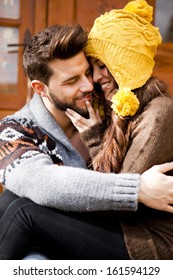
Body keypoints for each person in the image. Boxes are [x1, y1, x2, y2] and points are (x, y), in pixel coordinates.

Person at [1, 1, 173, 259]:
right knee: (12, 201)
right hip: (110, 228)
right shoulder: (15, 130)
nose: (89, 84)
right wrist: (138, 188)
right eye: (72, 80)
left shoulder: (115, 107)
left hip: (139, 239)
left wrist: (94, 137)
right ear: (40, 88)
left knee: (22, 213)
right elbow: (40, 183)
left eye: (88, 71)